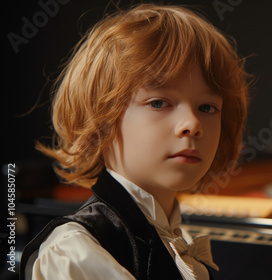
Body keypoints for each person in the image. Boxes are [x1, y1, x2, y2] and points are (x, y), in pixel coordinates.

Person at [20, 3, 250, 280]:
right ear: (101, 117)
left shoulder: (176, 239)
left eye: (207, 107)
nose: (192, 124)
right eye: (159, 102)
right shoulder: (75, 252)